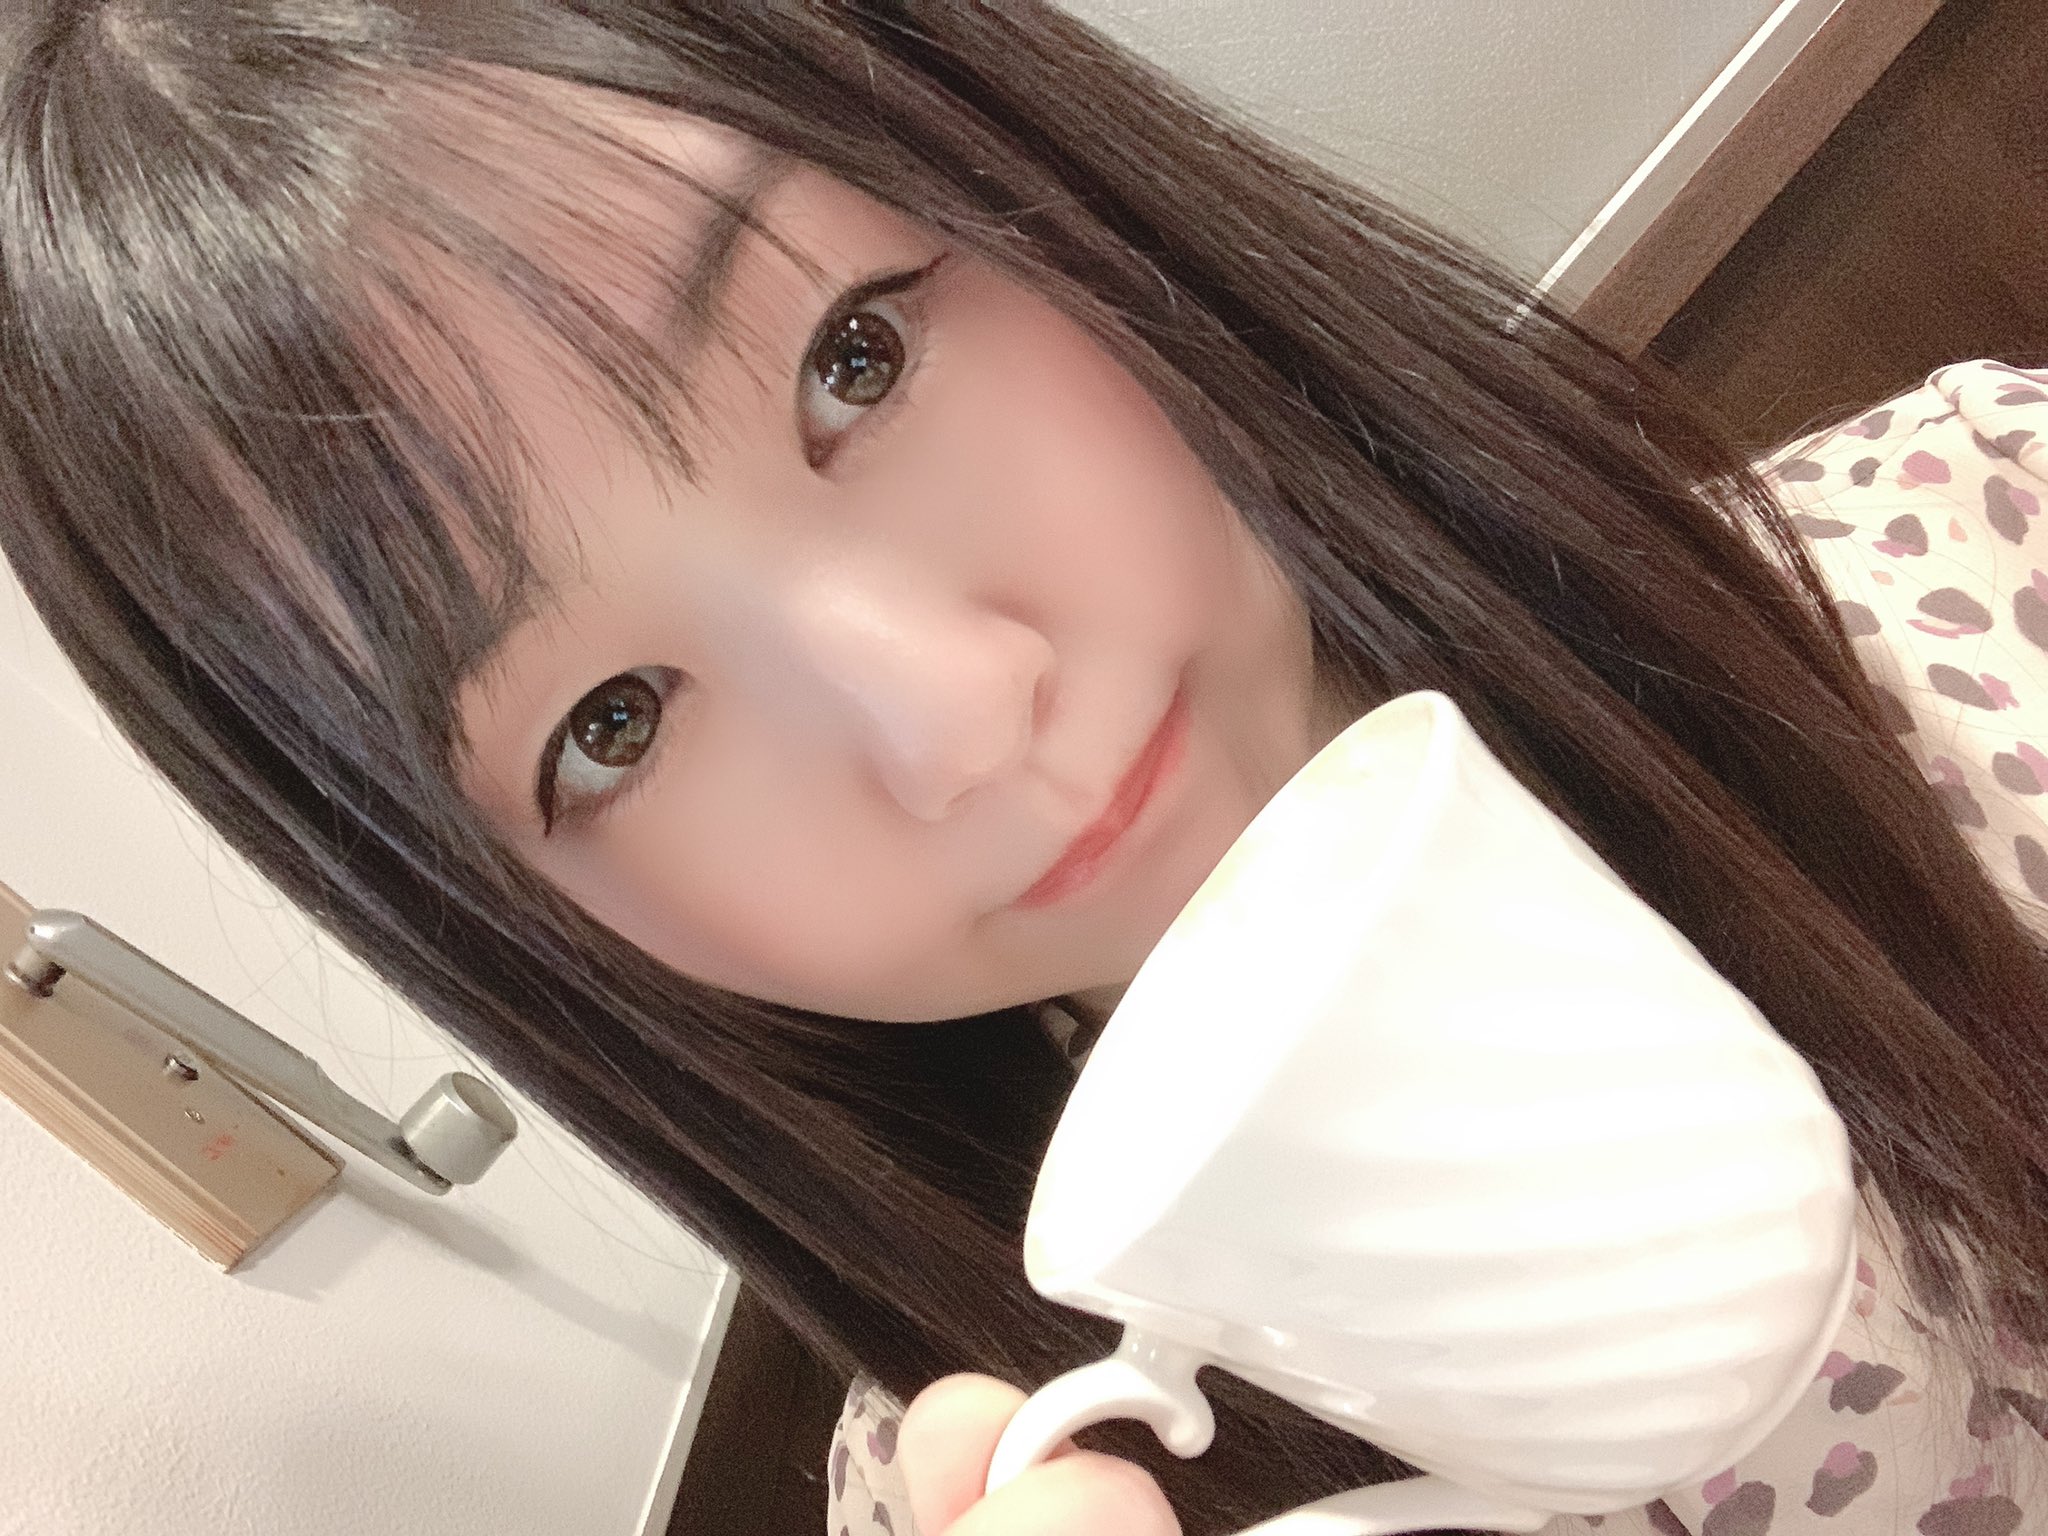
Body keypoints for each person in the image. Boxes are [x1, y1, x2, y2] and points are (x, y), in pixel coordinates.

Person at [0, 5, 2041, 1534]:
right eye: (612, 722)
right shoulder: (996, 1485)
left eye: (855, 358)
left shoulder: (1993, 536)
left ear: (1052, 192)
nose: (955, 715)